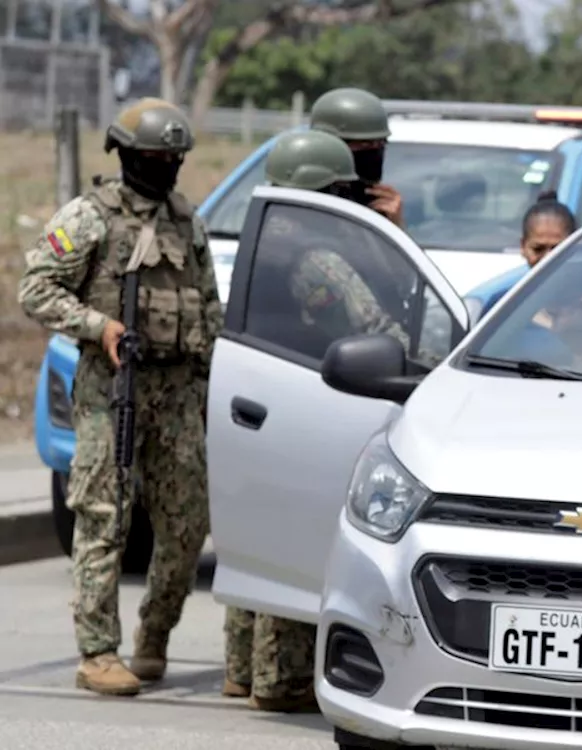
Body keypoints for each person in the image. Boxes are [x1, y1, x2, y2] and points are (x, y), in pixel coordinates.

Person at [17, 98, 217, 697]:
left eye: (174, 159)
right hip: (112, 390)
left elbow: (208, 306)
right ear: (128, 156)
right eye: (157, 158)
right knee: (103, 518)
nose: (167, 168)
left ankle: (153, 637)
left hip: (178, 396)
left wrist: (211, 380)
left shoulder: (186, 220)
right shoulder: (89, 217)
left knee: (187, 527)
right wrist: (96, 326)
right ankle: (97, 652)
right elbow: (36, 288)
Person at [229, 129, 412, 713]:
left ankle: (245, 670)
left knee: (262, 541)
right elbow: (391, 334)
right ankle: (280, 680)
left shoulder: (269, 240)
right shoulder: (321, 255)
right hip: (319, 399)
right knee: (307, 541)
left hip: (270, 399)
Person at [308, 86, 405, 228]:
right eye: (365, 144)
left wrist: (394, 226)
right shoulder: (297, 202)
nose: (375, 151)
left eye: (381, 143)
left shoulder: (375, 203)